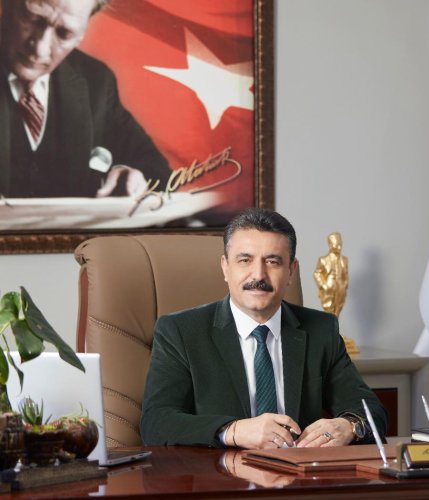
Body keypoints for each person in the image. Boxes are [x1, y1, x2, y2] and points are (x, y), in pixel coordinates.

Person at [141, 208, 387, 449]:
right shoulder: (180, 332)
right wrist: (233, 431)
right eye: (245, 260)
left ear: (291, 271)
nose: (258, 275)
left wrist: (349, 426)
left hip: (296, 471)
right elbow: (156, 423)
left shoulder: (321, 330)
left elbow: (371, 410)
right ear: (225, 267)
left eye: (272, 261)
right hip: (219, 471)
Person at [0, 0, 171, 198]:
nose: (40, 48)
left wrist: (132, 178)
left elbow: (157, 171)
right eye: (33, 19)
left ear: (80, 36)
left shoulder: (95, 81)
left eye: (64, 33)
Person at [314, 232, 349, 316]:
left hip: (340, 289)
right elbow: (317, 273)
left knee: (338, 311)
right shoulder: (323, 260)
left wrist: (344, 285)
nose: (339, 247)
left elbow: (345, 274)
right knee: (328, 312)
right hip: (328, 288)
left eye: (340, 244)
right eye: (337, 244)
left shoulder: (344, 260)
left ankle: (335, 323)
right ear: (330, 245)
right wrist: (323, 285)